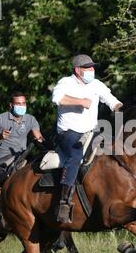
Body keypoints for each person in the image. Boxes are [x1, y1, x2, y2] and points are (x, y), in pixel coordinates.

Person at [51, 54, 123, 224]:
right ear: (78, 70)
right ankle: (64, 203)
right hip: (69, 133)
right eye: (88, 68)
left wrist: (119, 106)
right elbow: (56, 99)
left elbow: (111, 99)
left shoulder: (96, 84)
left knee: (115, 147)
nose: (92, 70)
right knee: (75, 157)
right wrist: (80, 101)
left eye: (92, 67)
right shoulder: (65, 83)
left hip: (91, 132)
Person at [0, 92, 44, 228]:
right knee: (2, 177)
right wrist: (0, 136)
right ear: (11, 105)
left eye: (23, 103)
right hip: (4, 156)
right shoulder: (1, 119)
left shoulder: (30, 119)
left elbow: (38, 136)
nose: (21, 106)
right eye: (18, 104)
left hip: (23, 155)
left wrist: (41, 142)